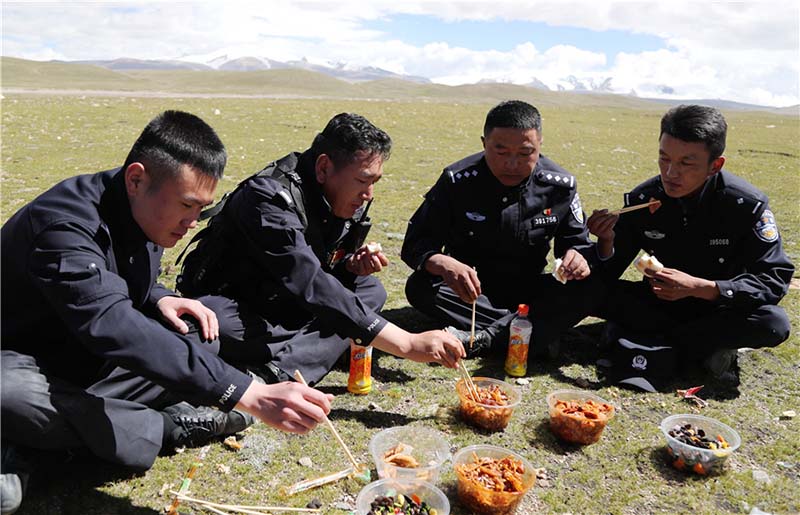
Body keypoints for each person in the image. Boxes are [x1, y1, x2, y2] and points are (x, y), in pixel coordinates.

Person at [0, 111, 333, 514]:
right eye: (187, 206)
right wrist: (248, 393)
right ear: (136, 179)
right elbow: (111, 324)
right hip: (25, 364)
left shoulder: (143, 206)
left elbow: (112, 285)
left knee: (198, 338)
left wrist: (157, 296)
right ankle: (165, 427)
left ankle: (41, 442)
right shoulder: (62, 226)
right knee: (11, 395)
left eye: (202, 209)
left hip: (87, 366)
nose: (193, 223)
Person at [176, 112, 464, 387]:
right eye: (363, 181)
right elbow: (309, 280)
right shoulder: (269, 199)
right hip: (240, 302)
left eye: (374, 182)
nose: (368, 194)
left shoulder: (343, 195)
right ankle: (315, 344)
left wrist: (350, 265)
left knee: (370, 291)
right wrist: (407, 343)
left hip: (290, 300)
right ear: (324, 167)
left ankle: (281, 370)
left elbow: (324, 265)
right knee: (212, 323)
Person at [587, 104, 793, 389]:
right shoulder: (644, 199)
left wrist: (702, 287)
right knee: (585, 288)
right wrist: (606, 241)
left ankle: (638, 339)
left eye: (686, 163)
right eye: (664, 158)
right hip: (658, 303)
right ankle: (694, 351)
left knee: (773, 323)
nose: (671, 173)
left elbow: (773, 279)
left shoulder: (744, 206)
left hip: (717, 311)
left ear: (715, 165)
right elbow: (607, 271)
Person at [401, 100, 608, 359]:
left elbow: (577, 244)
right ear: (484, 143)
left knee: (592, 287)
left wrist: (578, 258)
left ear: (540, 145)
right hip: (471, 293)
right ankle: (535, 332)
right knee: (420, 287)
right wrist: (444, 263)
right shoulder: (457, 181)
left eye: (525, 153)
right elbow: (415, 244)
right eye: (500, 152)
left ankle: (488, 339)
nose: (512, 164)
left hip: (530, 286)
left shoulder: (559, 186)